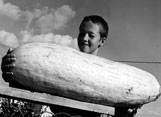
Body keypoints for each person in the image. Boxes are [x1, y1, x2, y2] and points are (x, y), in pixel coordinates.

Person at [1, 15, 137, 117]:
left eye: (91, 35)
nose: (84, 38)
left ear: (102, 41)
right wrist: (11, 73)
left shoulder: (110, 77)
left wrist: (127, 112)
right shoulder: (58, 63)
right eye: (82, 33)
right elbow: (33, 84)